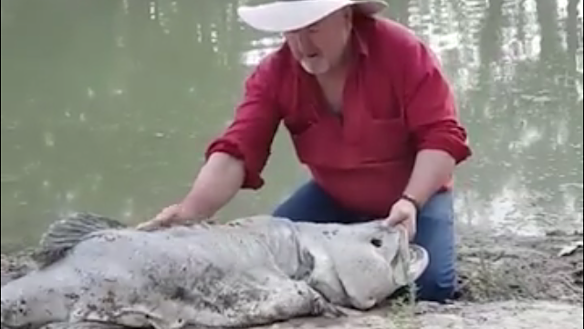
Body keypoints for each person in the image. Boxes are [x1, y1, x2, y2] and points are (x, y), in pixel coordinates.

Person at [137, 0, 472, 303]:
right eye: (292, 31)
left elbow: (442, 138)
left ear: (345, 17)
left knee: (429, 288)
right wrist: (190, 212)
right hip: (333, 195)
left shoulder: (403, 52)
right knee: (263, 261)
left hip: (413, 198)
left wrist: (411, 201)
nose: (302, 45)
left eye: (312, 28)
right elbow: (237, 149)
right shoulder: (274, 73)